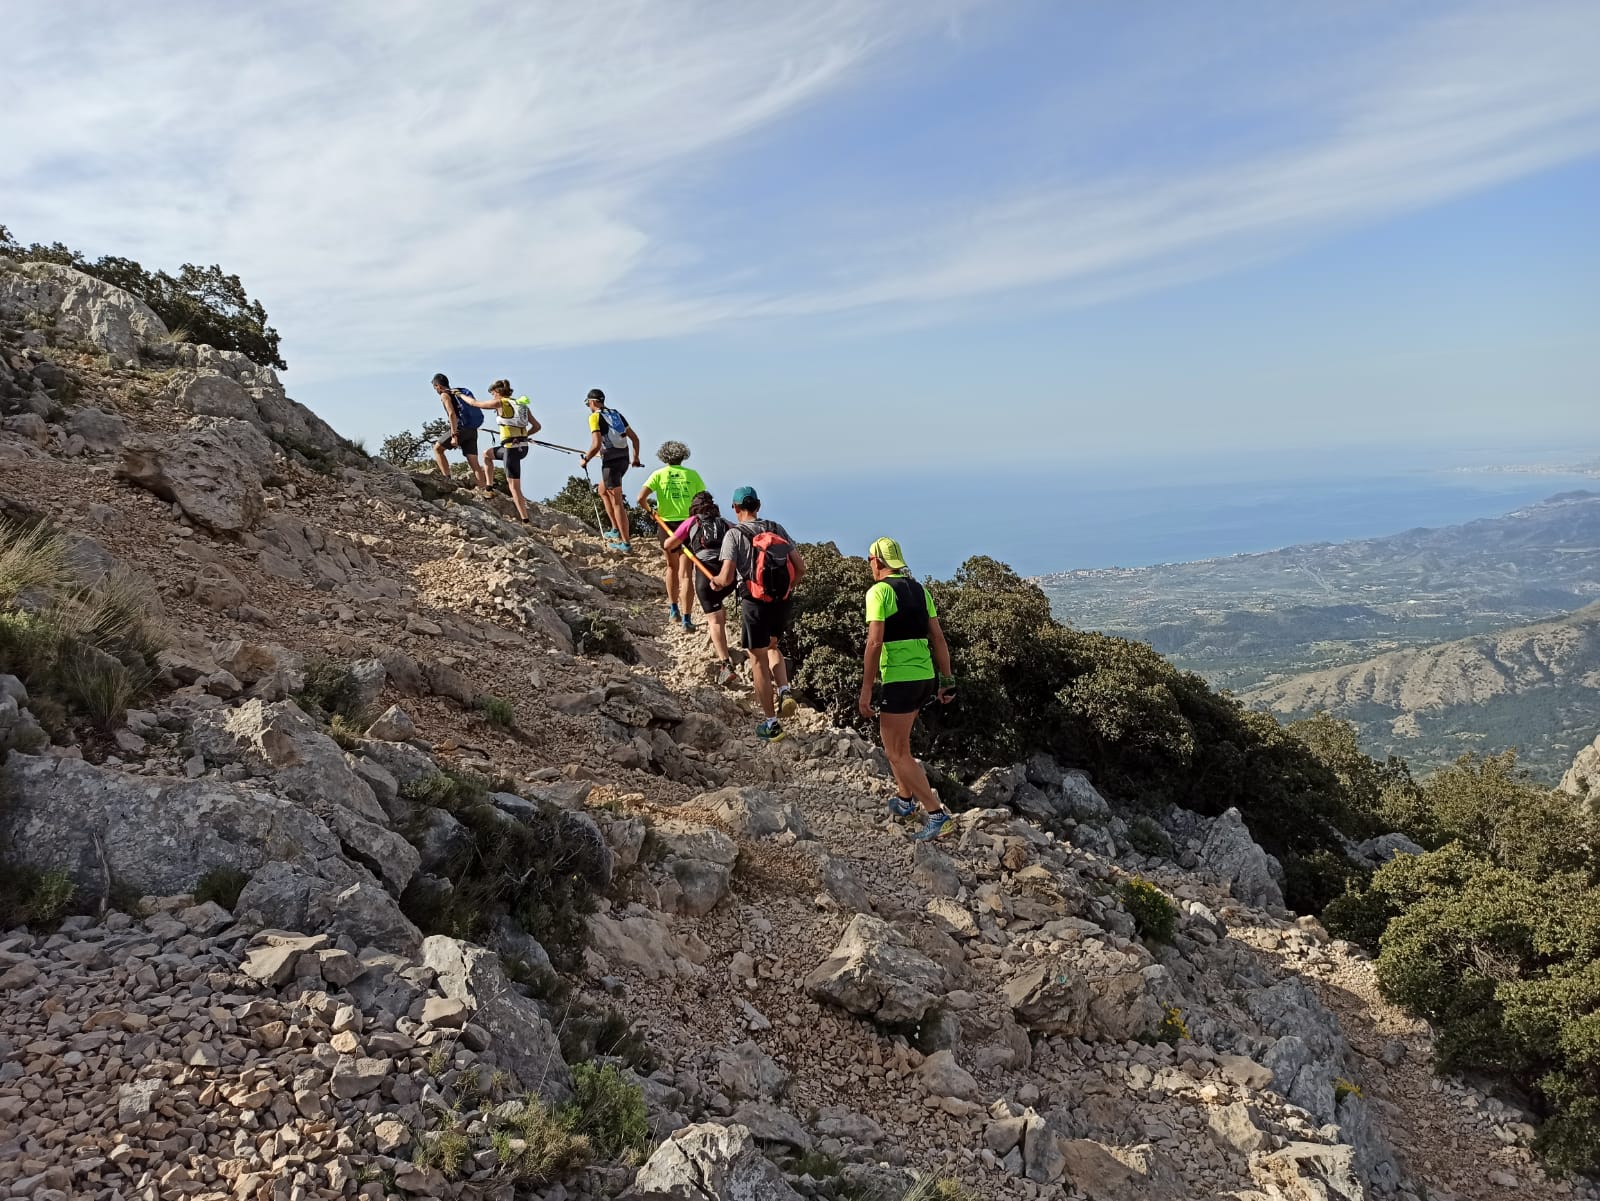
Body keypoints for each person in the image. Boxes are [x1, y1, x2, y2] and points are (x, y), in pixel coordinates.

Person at [857, 537, 957, 841]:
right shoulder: (920, 590)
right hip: (924, 676)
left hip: (899, 679)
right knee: (898, 745)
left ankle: (936, 814)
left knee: (896, 751)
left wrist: (866, 689)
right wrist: (948, 679)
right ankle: (904, 800)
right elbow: (938, 638)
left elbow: (874, 642)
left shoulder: (879, 592)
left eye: (870, 560)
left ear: (877, 561)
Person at [711, 486, 805, 742]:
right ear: (759, 505)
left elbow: (727, 576)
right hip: (781, 601)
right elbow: (800, 567)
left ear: (735, 508)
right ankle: (784, 691)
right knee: (774, 646)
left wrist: (716, 583)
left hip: (754, 602)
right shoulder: (776, 528)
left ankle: (771, 724)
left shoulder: (735, 534)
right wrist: (785, 591)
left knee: (757, 659)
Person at [664, 491, 739, 685]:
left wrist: (682, 544)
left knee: (713, 620)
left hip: (706, 575)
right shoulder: (726, 524)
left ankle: (725, 664)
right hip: (728, 574)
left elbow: (668, 544)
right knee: (718, 606)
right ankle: (725, 647)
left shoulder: (692, 522)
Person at [637, 441, 707, 630]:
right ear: (683, 455)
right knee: (686, 574)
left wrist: (651, 512)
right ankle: (686, 618)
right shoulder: (692, 475)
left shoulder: (659, 475)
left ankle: (673, 608)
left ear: (664, 456)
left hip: (666, 525)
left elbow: (640, 498)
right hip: (689, 525)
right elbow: (704, 500)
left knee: (671, 567)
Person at [467, 380, 540, 524]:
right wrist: (524, 436)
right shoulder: (521, 404)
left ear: (498, 392)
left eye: (493, 394)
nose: (493, 397)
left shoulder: (500, 403)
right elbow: (537, 426)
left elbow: (474, 403)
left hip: (511, 450)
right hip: (522, 447)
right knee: (487, 454)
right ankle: (489, 487)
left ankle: (525, 520)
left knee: (514, 487)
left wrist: (460, 395)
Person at [579, 388, 641, 552]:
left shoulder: (594, 417)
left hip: (611, 463)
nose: (588, 406)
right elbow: (635, 439)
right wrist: (635, 458)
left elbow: (596, 444)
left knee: (617, 502)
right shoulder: (616, 414)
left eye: (588, 403)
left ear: (592, 402)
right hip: (624, 459)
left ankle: (625, 543)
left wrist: (585, 460)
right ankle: (615, 529)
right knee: (602, 489)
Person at [430, 373, 489, 488]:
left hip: (461, 428)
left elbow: (452, 414)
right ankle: (484, 489)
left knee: (437, 449)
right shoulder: (456, 392)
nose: (435, 390)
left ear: (438, 386)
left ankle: (447, 479)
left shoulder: (444, 395)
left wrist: (454, 435)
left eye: (435, 387)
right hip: (472, 429)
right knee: (474, 463)